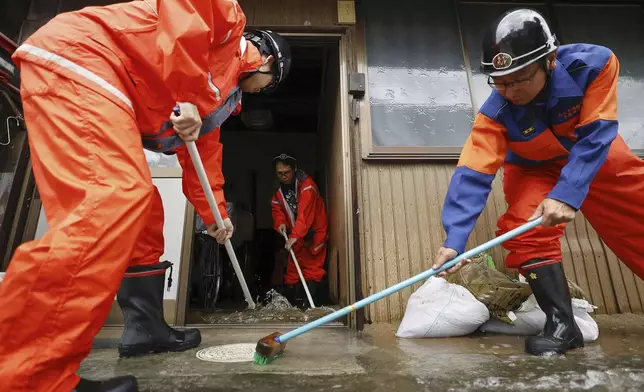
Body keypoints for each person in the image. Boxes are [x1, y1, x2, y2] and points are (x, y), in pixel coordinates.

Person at [0, 1, 291, 391]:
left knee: (143, 211)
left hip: (103, 81)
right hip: (85, 58)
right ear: (268, 63)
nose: (261, 92)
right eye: (268, 85)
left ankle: (145, 329)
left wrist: (216, 216)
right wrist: (186, 92)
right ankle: (26, 374)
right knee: (111, 199)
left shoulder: (219, 101)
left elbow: (203, 162)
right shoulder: (229, 27)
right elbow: (185, 9)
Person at [432, 7, 644, 357]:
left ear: (549, 60)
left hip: (595, 153)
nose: (509, 91)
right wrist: (455, 239)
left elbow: (596, 133)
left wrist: (567, 193)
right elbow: (473, 173)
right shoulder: (495, 113)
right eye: (498, 82)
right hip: (534, 168)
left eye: (518, 79)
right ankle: (562, 325)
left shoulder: (594, 65)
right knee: (524, 227)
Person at [271, 153, 328, 308]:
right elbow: (277, 208)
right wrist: (280, 223)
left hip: (313, 234)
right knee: (293, 272)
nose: (283, 176)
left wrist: (294, 236)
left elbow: (305, 214)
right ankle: (295, 308)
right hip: (297, 235)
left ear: (294, 169)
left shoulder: (307, 185)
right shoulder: (278, 190)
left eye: (286, 173)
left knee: (311, 270)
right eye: (279, 173)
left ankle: (311, 308)